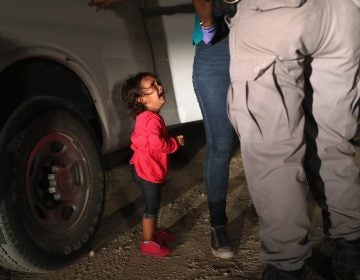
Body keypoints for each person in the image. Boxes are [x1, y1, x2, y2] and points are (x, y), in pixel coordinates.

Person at [226, 0, 360, 279]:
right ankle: (352, 252)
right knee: (335, 144)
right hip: (345, 14)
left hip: (274, 13)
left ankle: (287, 265)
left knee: (273, 154)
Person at [192, 0, 237, 259]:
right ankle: (218, 223)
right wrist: (208, 24)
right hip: (214, 53)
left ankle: (277, 221)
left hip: (254, 42)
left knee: (262, 139)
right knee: (220, 143)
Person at [122, 72, 185, 257]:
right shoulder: (150, 120)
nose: (160, 87)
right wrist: (175, 143)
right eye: (153, 85)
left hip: (143, 167)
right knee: (151, 206)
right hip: (146, 171)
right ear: (142, 99)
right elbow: (158, 144)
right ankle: (148, 242)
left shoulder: (148, 117)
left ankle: (153, 233)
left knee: (154, 204)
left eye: (158, 83)